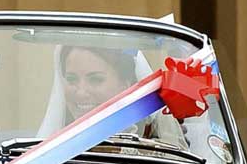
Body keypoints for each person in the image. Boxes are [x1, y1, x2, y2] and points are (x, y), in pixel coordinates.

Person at [38, 45, 188, 148]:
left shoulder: (159, 155)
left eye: (95, 79)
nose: (81, 92)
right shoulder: (45, 158)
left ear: (126, 85)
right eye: (71, 79)